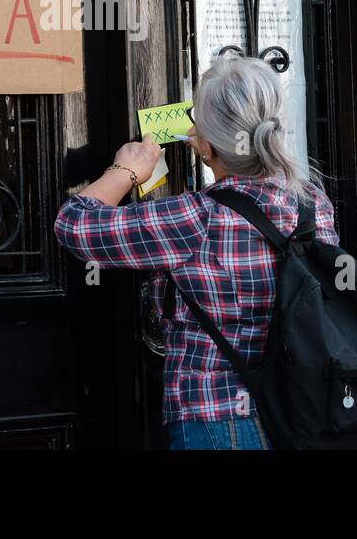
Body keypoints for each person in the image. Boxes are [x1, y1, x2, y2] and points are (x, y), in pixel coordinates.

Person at [54, 55, 338, 450]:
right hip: (304, 413)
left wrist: (127, 170)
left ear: (202, 143)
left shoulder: (197, 218)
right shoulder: (312, 202)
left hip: (217, 419)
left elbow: (73, 225)